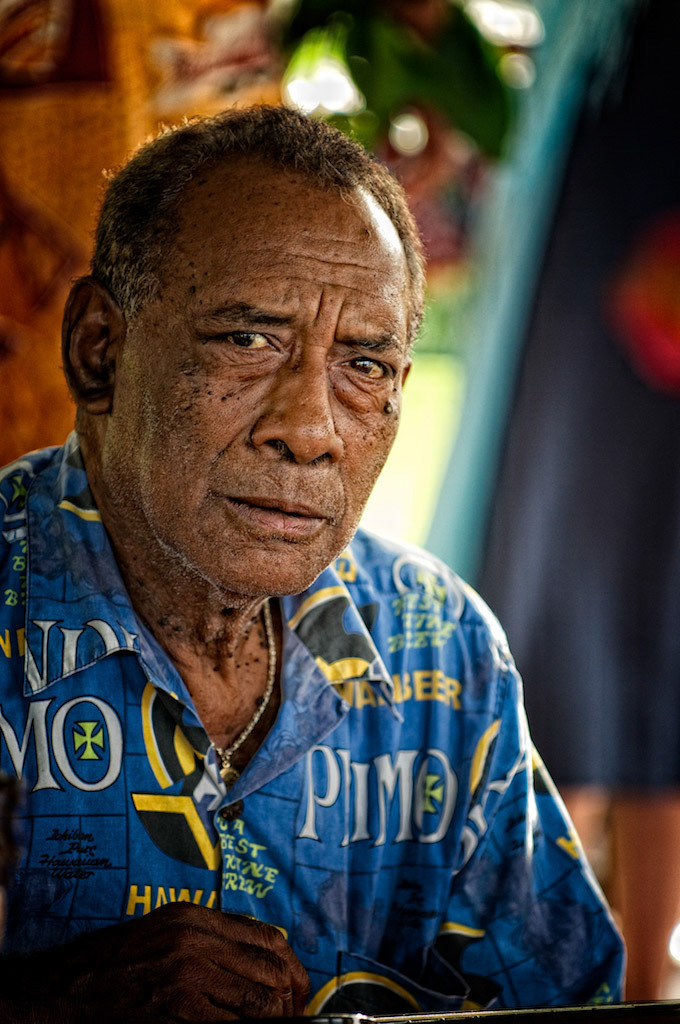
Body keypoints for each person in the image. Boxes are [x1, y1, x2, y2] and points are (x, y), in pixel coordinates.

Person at [0, 105, 622, 1020]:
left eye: (364, 366)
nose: (310, 429)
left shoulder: (437, 649)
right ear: (101, 350)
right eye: (248, 340)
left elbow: (577, 1002)